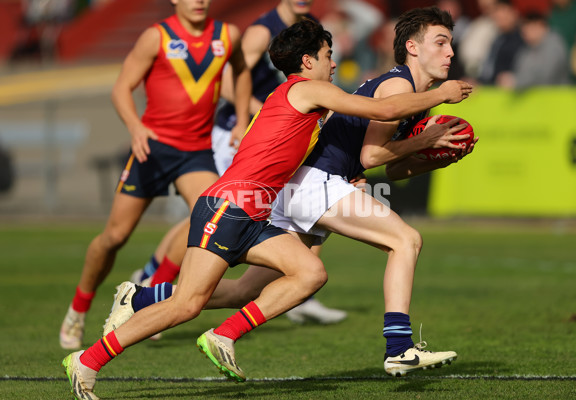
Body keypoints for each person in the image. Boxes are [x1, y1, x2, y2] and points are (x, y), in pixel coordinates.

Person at [62, 18, 472, 399]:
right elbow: (381, 110)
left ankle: (199, 325)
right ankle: (86, 360)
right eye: (328, 56)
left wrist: (355, 171)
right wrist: (441, 94)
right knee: (187, 305)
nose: (334, 64)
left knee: (307, 274)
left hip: (256, 210)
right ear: (308, 60)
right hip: (228, 206)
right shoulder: (304, 88)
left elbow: (350, 145)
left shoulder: (305, 97)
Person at [132, 0, 348, 325]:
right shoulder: (262, 31)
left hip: (283, 128)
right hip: (240, 129)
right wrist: (263, 111)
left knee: (283, 209)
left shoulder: (310, 29)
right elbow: (231, 81)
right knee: (215, 211)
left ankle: (301, 287)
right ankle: (153, 283)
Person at [58, 0, 251, 350]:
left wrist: (240, 117)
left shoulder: (227, 35)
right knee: (115, 237)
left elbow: (240, 71)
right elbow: (121, 88)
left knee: (207, 214)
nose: (199, 1)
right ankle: (78, 308)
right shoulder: (155, 37)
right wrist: (135, 127)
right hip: (153, 149)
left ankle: (152, 291)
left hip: (196, 152)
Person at [496, 12, 570, 89]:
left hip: (558, 97)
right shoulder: (527, 49)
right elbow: (519, 72)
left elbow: (547, 76)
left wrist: (517, 82)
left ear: (540, 25)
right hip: (535, 99)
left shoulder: (554, 44)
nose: (525, 34)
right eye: (523, 31)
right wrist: (510, 80)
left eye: (529, 28)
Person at [478, 0, 524, 86]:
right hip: (491, 89)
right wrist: (478, 81)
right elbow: (488, 70)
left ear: (514, 13)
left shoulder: (523, 39)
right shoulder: (497, 40)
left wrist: (516, 79)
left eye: (504, 15)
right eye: (497, 17)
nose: (501, 19)